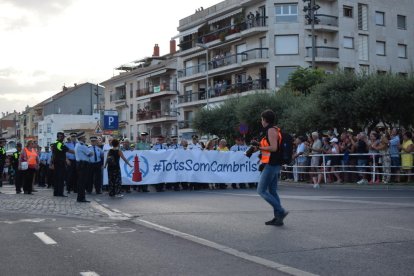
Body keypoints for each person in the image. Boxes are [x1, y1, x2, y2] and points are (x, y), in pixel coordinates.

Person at [252, 109, 288, 226]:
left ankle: (281, 211)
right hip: (272, 163)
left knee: (261, 190)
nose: (261, 121)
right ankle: (278, 218)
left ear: (265, 120)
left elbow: (273, 148)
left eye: (262, 119)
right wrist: (259, 148)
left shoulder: (271, 130)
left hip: (272, 164)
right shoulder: (272, 130)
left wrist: (261, 148)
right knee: (272, 191)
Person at [51, 132, 73, 197]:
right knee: (61, 179)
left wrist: (52, 163)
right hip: (60, 164)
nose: (63, 138)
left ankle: (56, 192)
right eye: (62, 137)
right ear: (60, 137)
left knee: (56, 179)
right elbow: (68, 150)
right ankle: (60, 193)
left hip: (56, 163)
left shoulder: (55, 143)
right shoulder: (59, 144)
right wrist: (77, 152)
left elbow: (53, 154)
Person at [74, 132, 93, 202]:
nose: (85, 138)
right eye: (84, 137)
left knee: (80, 182)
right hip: (83, 165)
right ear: (81, 138)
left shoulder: (77, 145)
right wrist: (91, 152)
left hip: (80, 164)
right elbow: (90, 153)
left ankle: (80, 197)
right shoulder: (82, 145)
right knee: (82, 182)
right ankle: (81, 198)